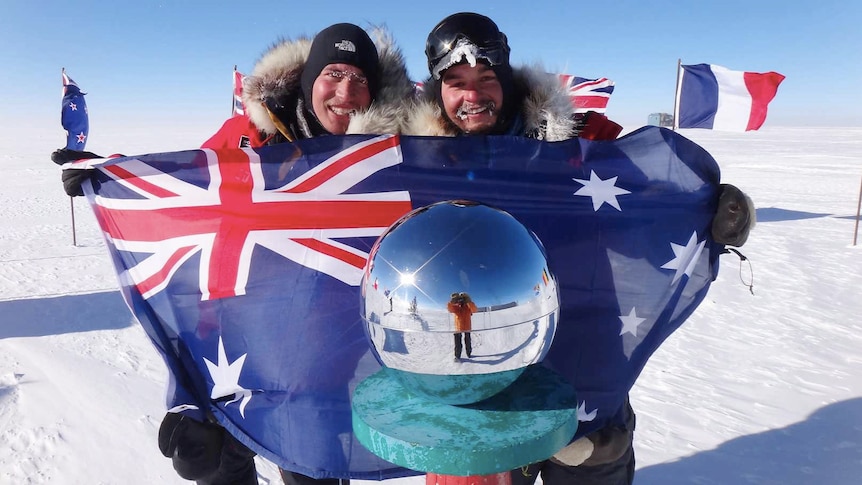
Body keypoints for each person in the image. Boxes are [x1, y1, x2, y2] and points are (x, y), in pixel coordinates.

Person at [53, 22, 414, 485]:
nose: (346, 90)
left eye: (360, 79)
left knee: (313, 472)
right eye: (334, 73)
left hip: (324, 359)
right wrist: (118, 179)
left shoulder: (385, 157)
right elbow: (191, 201)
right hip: (239, 344)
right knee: (215, 464)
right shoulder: (245, 136)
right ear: (308, 80)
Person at [403, 12, 755, 485]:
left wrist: (702, 209)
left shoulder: (576, 138)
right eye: (456, 83)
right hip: (474, 366)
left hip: (584, 352)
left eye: (486, 78)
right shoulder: (416, 157)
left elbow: (641, 196)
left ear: (505, 77)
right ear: (437, 91)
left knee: (593, 463)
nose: (472, 96)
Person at [447, 292, 477, 360]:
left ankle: (469, 353)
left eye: (463, 299)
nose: (461, 301)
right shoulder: (456, 307)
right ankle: (457, 356)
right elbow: (450, 309)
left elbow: (474, 310)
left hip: (467, 327)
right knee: (457, 343)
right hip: (458, 328)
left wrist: (469, 301)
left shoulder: (468, 307)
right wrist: (452, 301)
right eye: (459, 299)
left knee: (468, 341)